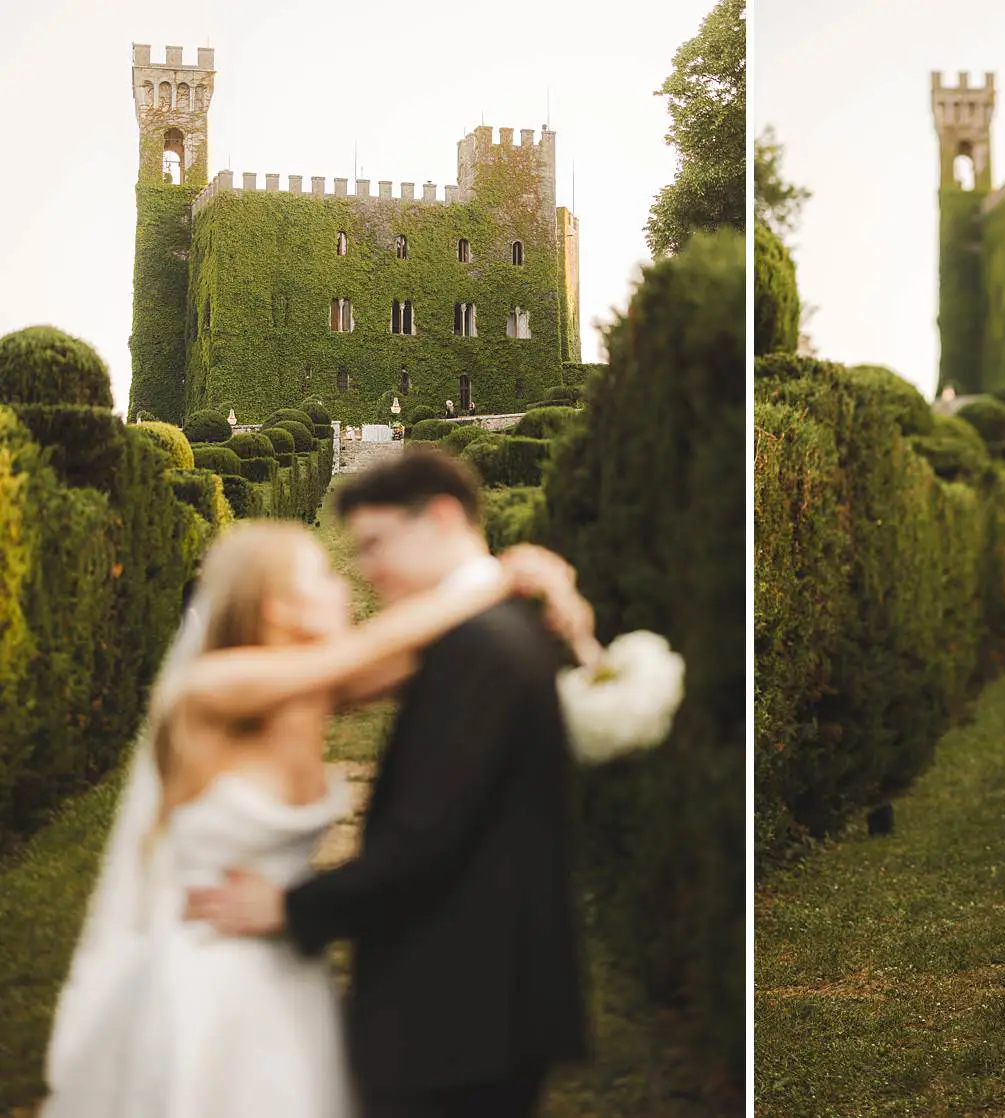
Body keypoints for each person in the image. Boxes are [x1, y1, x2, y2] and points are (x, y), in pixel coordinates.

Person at [42, 493, 593, 1118]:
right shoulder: (212, 688)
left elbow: (464, 653)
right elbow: (366, 651)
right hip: (210, 970)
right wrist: (490, 579)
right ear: (277, 607)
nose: (350, 579)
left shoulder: (312, 689)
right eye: (325, 575)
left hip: (286, 966)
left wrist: (548, 595)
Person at [186, 448, 591, 1117]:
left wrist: (291, 908)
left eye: (375, 544)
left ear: (441, 518)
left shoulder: (480, 644)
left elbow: (426, 837)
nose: (366, 571)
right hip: (465, 1003)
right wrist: (509, 579)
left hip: (463, 1009)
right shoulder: (478, 630)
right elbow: (354, 670)